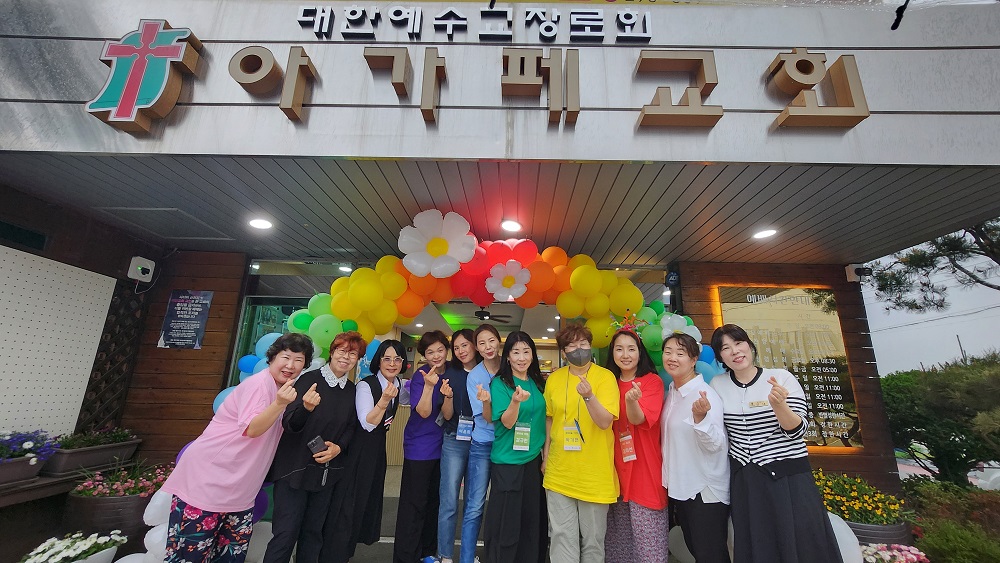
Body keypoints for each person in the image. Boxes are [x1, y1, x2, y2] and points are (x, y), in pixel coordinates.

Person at [161, 333, 313, 563]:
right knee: (190, 555)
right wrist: (280, 404)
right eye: (286, 357)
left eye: (299, 360)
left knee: (230, 556)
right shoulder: (259, 385)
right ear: (272, 358)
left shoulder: (283, 389)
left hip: (240, 490)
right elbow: (252, 429)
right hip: (209, 481)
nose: (291, 365)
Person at [710, 324, 843, 563]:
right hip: (746, 478)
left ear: (749, 345)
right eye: (725, 348)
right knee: (757, 542)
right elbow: (717, 433)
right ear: (720, 357)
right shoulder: (718, 385)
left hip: (787, 477)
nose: (735, 351)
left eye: (738, 343)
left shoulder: (781, 378)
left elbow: (797, 431)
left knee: (800, 542)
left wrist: (779, 405)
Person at [262, 331, 364, 563]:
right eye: (341, 351)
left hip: (325, 475)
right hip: (294, 471)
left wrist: (338, 448)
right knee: (285, 535)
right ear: (332, 352)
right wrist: (306, 408)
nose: (346, 357)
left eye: (353, 354)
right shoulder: (309, 380)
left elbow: (351, 427)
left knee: (313, 535)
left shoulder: (351, 390)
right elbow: (289, 424)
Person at [542, 324, 620, 563]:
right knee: (561, 537)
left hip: (594, 474)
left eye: (583, 344)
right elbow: (549, 419)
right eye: (572, 345)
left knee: (593, 541)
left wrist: (589, 396)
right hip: (559, 471)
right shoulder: (554, 379)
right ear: (563, 352)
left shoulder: (605, 377)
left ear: (591, 346)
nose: (579, 349)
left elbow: (605, 422)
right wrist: (546, 456)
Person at [324, 339, 406, 562]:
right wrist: (384, 400)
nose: (392, 364)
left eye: (397, 359)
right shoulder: (365, 385)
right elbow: (368, 423)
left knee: (366, 501)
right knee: (350, 503)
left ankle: (348, 550)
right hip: (358, 451)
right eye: (386, 359)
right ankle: (336, 554)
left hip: (377, 450)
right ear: (378, 361)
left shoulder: (399, 384)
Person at [661, 332, 730, 563]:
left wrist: (700, 419)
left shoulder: (705, 396)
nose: (672, 358)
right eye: (668, 352)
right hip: (683, 488)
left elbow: (717, 445)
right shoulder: (673, 392)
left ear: (693, 360)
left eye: (680, 353)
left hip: (704, 491)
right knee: (697, 551)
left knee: (710, 555)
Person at [482, 331, 547, 563]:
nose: (521, 357)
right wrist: (515, 401)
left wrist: (546, 456)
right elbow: (507, 422)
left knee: (531, 521)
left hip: (533, 461)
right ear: (507, 356)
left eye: (526, 352)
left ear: (533, 355)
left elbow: (545, 419)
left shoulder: (538, 382)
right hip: (507, 462)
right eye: (516, 352)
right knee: (506, 523)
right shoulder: (500, 383)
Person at [603, 329, 667, 563]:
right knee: (618, 547)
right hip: (614, 473)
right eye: (619, 349)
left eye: (631, 349)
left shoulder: (651, 381)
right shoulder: (607, 383)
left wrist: (631, 401)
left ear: (640, 352)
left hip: (645, 472)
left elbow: (639, 419)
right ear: (612, 353)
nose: (625, 355)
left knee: (649, 549)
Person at [394, 330, 455, 563]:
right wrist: (430, 385)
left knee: (434, 502)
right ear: (424, 355)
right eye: (430, 352)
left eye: (440, 350)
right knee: (414, 504)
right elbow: (423, 411)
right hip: (420, 446)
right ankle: (406, 556)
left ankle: (427, 552)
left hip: (445, 446)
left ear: (447, 350)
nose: (436, 356)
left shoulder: (452, 372)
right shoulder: (421, 376)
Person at [437, 328, 483, 563]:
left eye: (465, 345)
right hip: (454, 439)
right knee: (449, 502)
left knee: (474, 504)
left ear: (475, 345)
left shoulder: (487, 371)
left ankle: (468, 555)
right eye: (456, 347)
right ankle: (445, 555)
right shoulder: (450, 373)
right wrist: (448, 397)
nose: (461, 351)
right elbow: (446, 415)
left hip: (481, 442)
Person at [462, 324, 502, 562]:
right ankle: (467, 559)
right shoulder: (475, 376)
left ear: (499, 341)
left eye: (491, 340)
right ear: (477, 348)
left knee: (501, 503)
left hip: (507, 446)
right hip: (483, 445)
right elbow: (487, 417)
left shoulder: (510, 367)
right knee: (475, 505)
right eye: (482, 343)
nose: (488, 347)